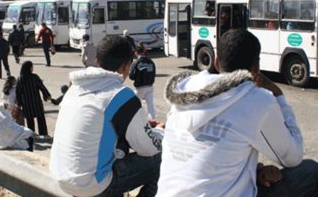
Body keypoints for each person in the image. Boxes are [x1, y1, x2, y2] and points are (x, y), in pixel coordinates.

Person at [157, 29, 318, 196]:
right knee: (310, 171)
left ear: (217, 62)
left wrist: (255, 169)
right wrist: (278, 95)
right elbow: (293, 157)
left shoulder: (185, 92)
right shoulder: (257, 100)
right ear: (256, 67)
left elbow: (207, 155)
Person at [50, 35, 164, 197]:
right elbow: (148, 148)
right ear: (126, 66)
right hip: (92, 185)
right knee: (161, 156)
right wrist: (159, 132)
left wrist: (142, 124)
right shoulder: (120, 95)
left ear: (98, 61)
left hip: (62, 177)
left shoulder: (74, 88)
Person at [16, 61, 52, 138]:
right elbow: (42, 87)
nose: (33, 68)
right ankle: (44, 134)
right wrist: (47, 95)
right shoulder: (34, 77)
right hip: (36, 102)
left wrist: (19, 103)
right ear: (29, 68)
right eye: (32, 66)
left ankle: (31, 135)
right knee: (40, 118)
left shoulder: (20, 79)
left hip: (26, 103)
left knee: (30, 120)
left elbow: (18, 92)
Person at [129, 42, 157, 120]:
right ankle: (153, 121)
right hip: (150, 86)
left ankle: (133, 121)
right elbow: (154, 73)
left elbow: (131, 76)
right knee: (150, 106)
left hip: (140, 87)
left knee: (133, 105)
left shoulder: (136, 63)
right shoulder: (151, 61)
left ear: (135, 53)